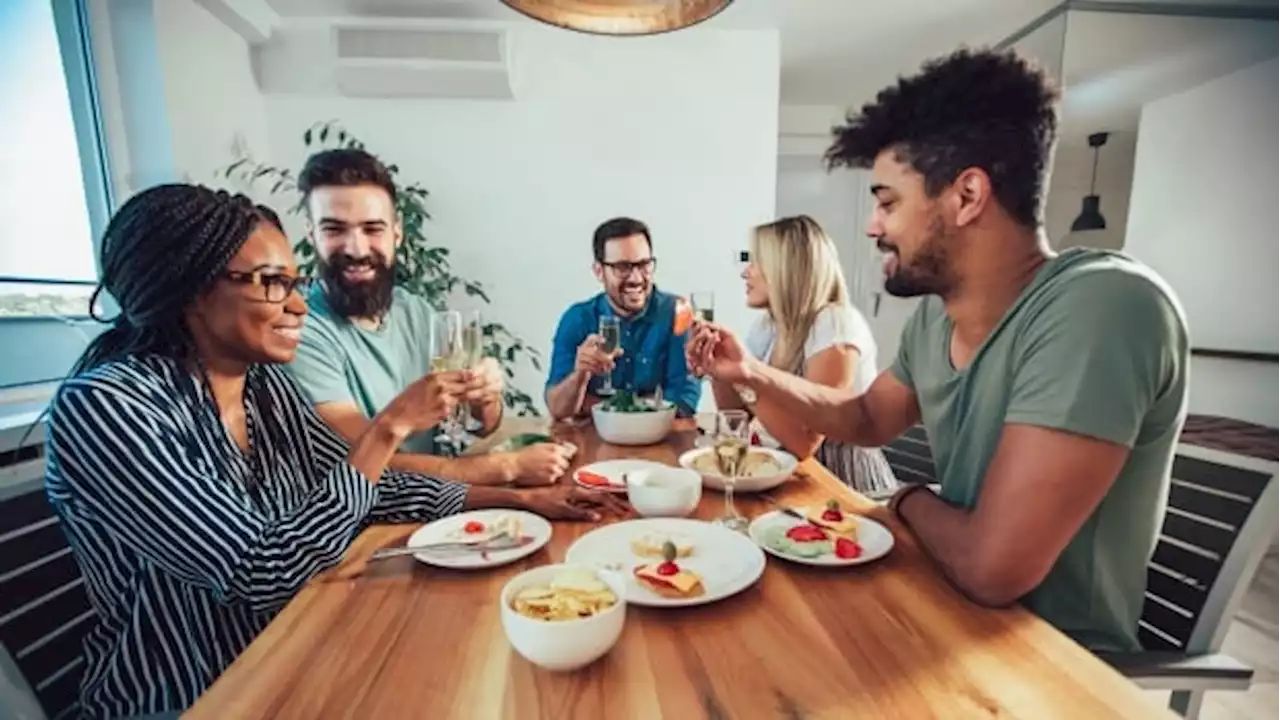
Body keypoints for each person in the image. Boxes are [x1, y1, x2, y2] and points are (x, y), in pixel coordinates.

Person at [43, 184, 622, 719]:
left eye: (294, 285)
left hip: (301, 645)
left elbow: (359, 489)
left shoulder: (262, 387)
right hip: (197, 692)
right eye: (273, 283)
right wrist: (387, 428)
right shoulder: (107, 408)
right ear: (193, 290)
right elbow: (260, 571)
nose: (297, 306)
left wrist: (518, 499)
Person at [687, 48, 1188, 653]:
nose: (873, 226)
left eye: (888, 201)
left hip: (1043, 660)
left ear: (967, 195)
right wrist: (749, 372)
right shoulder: (935, 318)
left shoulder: (1102, 307)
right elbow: (868, 417)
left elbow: (990, 568)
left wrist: (905, 499)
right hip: (939, 605)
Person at [287, 149, 572, 486]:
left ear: (397, 233)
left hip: (442, 506)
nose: (356, 249)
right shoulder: (299, 329)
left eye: (372, 229)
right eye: (334, 229)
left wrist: (486, 397)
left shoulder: (416, 310)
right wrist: (504, 468)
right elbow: (362, 464)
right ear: (311, 235)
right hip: (373, 525)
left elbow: (480, 427)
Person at [711, 215, 897, 496]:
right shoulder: (768, 327)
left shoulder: (835, 324)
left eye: (756, 262)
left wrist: (745, 377)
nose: (745, 272)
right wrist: (718, 369)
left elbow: (805, 442)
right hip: (793, 476)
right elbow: (735, 417)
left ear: (785, 269)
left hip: (841, 485)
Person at [545, 217, 701, 420]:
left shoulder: (678, 312)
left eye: (644, 265)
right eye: (622, 267)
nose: (636, 278)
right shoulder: (577, 319)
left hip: (659, 440)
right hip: (595, 441)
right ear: (599, 271)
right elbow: (558, 409)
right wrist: (581, 376)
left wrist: (600, 406)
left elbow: (684, 402)